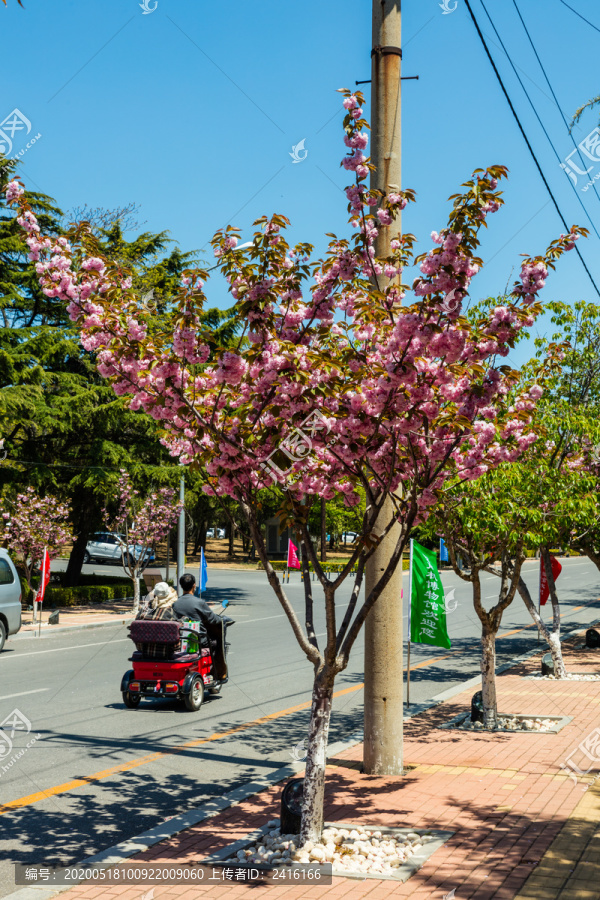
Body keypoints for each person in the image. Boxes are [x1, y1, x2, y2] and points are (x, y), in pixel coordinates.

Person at [173, 573, 224, 649]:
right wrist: (222, 619)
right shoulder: (199, 603)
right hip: (200, 640)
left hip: (182, 639)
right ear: (194, 585)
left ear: (181, 586)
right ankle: (217, 660)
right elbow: (213, 619)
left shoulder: (175, 603)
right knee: (215, 642)